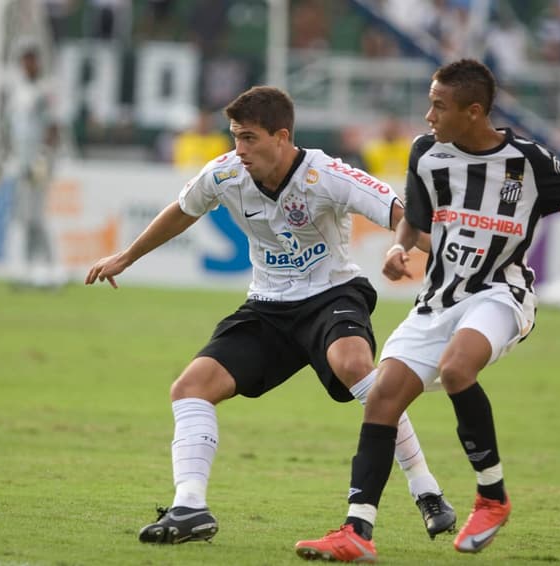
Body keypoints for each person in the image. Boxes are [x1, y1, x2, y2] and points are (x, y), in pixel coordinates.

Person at [85, 86, 456, 545]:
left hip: (331, 295)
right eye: (235, 137)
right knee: (190, 388)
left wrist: (453, 257)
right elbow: (183, 211)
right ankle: (189, 507)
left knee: (355, 366)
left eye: (249, 139)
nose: (239, 150)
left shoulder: (327, 174)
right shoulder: (224, 174)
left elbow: (403, 215)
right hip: (267, 307)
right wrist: (127, 256)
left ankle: (427, 490)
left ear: (282, 137)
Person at [294, 59, 560, 563]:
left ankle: (491, 496)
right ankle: (358, 530)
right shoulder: (426, 154)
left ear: (474, 111)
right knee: (382, 399)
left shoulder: (526, 161)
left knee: (458, 368)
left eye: (439, 105)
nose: (428, 115)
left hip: (500, 293)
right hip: (438, 301)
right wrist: (400, 249)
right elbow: (416, 218)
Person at [0, 39, 66, 288]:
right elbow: (11, 129)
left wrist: (43, 158)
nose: (28, 63)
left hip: (39, 162)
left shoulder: (45, 91)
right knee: (25, 217)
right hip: (21, 162)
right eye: (25, 59)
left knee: (35, 217)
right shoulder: (17, 92)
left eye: (32, 58)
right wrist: (4, 159)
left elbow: (53, 128)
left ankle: (50, 269)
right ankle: (28, 269)